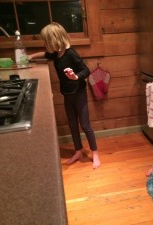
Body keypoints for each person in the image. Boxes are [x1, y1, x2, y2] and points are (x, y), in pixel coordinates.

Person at [28, 22, 101, 169]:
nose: (45, 44)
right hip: (67, 95)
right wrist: (30, 56)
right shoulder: (55, 54)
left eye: (47, 41)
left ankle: (95, 154)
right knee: (72, 124)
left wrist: (75, 77)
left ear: (54, 40)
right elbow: (44, 54)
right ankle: (78, 151)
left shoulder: (71, 54)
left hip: (79, 93)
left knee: (85, 125)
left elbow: (85, 70)